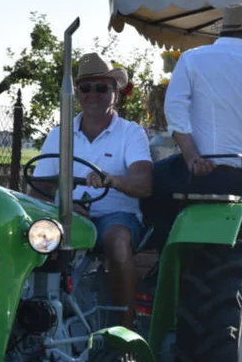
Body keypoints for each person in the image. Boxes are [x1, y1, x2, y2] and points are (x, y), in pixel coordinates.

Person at [29, 52, 153, 328]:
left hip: (115, 215)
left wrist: (112, 180)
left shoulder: (131, 133)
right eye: (86, 88)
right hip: (67, 216)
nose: (93, 94)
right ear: (78, 93)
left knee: (118, 242)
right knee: (26, 239)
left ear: (115, 93)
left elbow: (144, 184)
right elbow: (37, 190)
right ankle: (29, 320)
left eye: (102, 87)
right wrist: (64, 206)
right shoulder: (59, 134)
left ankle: (124, 326)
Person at [141, 3, 242, 247]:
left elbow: (174, 110)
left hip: (202, 174)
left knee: (148, 181)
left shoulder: (193, 58)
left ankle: (163, 247)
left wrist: (192, 157)